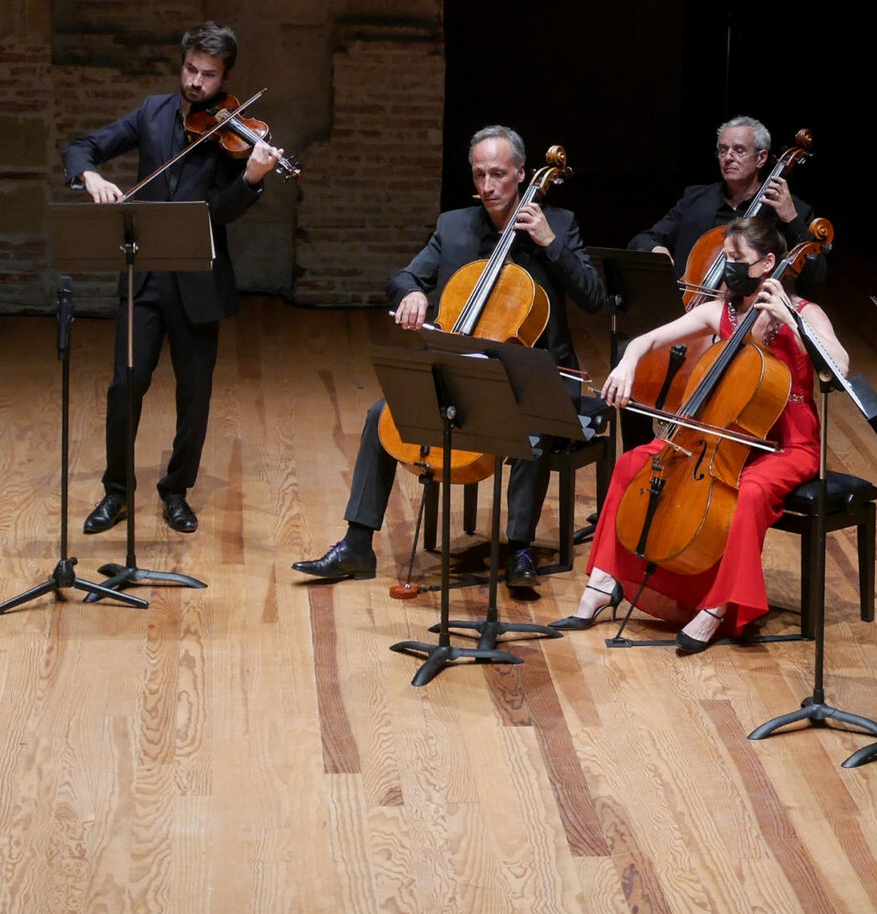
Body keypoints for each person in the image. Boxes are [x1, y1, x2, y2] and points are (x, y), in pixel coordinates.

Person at [290, 125, 606, 588]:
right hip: (466, 372)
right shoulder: (454, 226)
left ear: (522, 173)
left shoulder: (557, 222)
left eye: (498, 174)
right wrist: (412, 294)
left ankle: (519, 549)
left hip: (536, 377)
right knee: (381, 416)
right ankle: (357, 545)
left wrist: (549, 242)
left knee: (533, 423)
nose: (487, 186)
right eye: (479, 175)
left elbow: (594, 297)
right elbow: (403, 277)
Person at [548, 217, 843, 650]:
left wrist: (793, 323)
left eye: (737, 259)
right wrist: (627, 363)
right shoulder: (723, 311)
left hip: (787, 444)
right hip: (723, 433)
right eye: (726, 257)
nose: (728, 267)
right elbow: (647, 341)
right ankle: (603, 582)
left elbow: (839, 366)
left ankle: (717, 605)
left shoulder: (805, 313)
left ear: (768, 263)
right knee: (632, 463)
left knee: (750, 493)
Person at [65, 23, 280, 535]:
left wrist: (251, 178)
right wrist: (90, 176)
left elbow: (219, 213)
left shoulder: (232, 133)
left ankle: (177, 490)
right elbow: (83, 146)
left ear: (226, 77)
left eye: (208, 75)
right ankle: (117, 491)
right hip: (143, 275)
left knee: (194, 394)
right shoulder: (152, 112)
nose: (195, 82)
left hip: (198, 278)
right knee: (125, 385)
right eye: (190, 70)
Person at [630, 116, 825, 296]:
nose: (728, 157)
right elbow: (643, 239)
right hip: (687, 308)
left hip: (754, 316)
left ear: (761, 158)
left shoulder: (790, 210)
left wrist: (792, 220)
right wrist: (658, 251)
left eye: (739, 150)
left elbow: (814, 279)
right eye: (723, 150)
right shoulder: (694, 200)